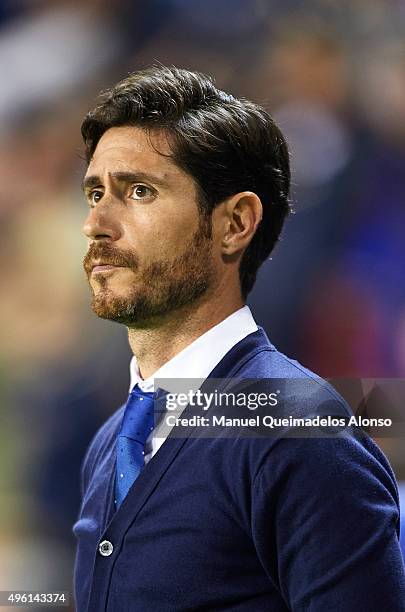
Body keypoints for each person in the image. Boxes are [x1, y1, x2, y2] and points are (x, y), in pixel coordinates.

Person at [73, 66, 405, 611]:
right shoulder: (111, 441)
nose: (97, 224)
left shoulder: (299, 431)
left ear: (235, 223)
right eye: (94, 193)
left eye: (138, 191)